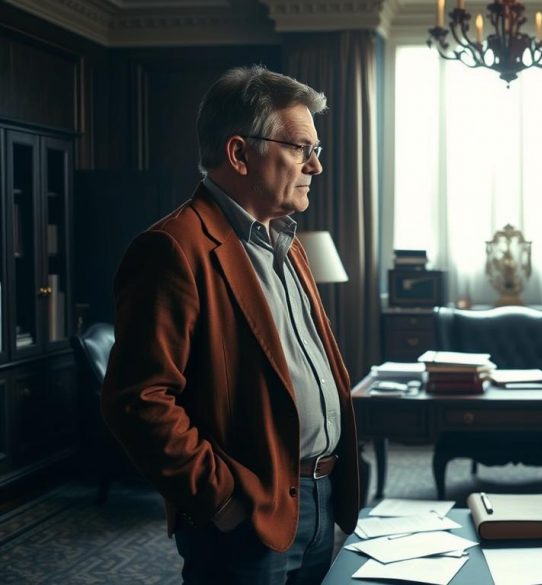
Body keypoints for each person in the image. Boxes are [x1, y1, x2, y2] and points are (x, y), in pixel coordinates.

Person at [101, 65, 360, 584]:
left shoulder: (287, 243)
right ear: (240, 154)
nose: (316, 165)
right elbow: (138, 400)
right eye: (301, 149)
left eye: (316, 150)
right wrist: (222, 502)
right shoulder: (173, 248)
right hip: (247, 515)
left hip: (319, 501)